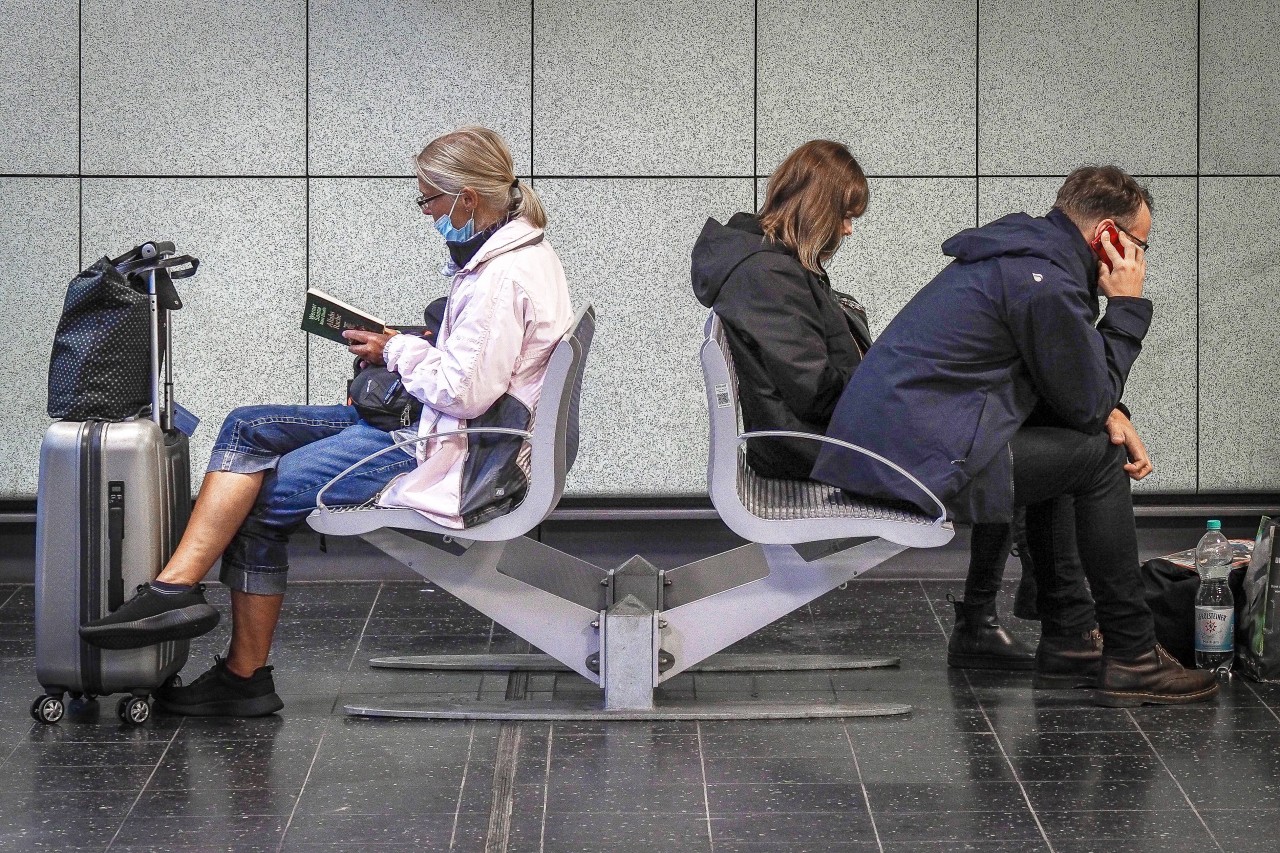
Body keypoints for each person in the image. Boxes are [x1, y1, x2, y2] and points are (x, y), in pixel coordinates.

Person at [78, 127, 575, 717]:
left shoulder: (501, 277)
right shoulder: (515, 254)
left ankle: (244, 677)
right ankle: (175, 589)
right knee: (246, 425)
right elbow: (475, 367)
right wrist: (400, 341)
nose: (427, 214)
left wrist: (395, 351)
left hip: (444, 446)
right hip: (440, 425)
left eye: (430, 200)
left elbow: (463, 392)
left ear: (467, 197)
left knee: (258, 508)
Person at [812, 165, 1217, 706]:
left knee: (1073, 448)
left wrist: (1108, 409)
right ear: (1108, 238)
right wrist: (1125, 309)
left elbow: (1069, 391)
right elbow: (1084, 401)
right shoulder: (1043, 281)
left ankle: (1072, 637)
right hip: (914, 462)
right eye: (1139, 245)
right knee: (1097, 459)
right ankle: (1132, 655)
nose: (1140, 259)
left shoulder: (1026, 261)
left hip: (897, 446)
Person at [690, 139, 871, 480]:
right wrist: (879, 388)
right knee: (973, 437)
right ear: (816, 208)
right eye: (844, 216)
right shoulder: (767, 275)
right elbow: (815, 394)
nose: (848, 229)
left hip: (812, 439)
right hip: (812, 448)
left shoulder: (771, 260)